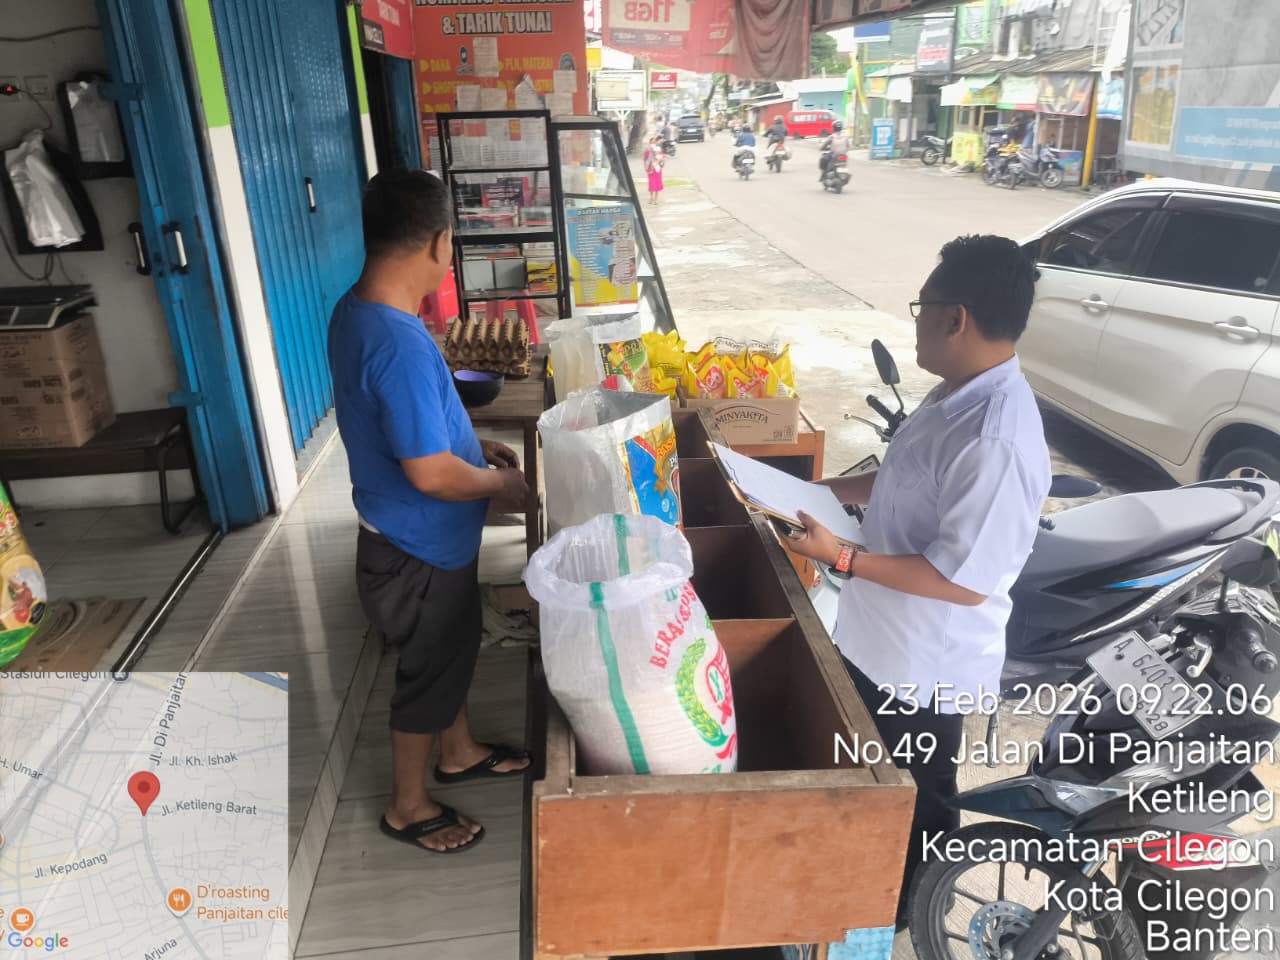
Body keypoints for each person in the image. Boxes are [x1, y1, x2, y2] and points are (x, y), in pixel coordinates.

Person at [784, 235, 1050, 927]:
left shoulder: (996, 438)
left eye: (920, 307)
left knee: (918, 801)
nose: (916, 321)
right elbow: (900, 478)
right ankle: (863, 896)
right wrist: (812, 493)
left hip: (923, 666)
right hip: (877, 637)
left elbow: (962, 581)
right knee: (866, 778)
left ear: (954, 318)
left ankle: (908, 918)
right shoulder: (953, 394)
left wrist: (843, 557)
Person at [328, 169, 532, 856]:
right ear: (440, 243)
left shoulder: (357, 311)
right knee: (428, 672)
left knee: (450, 649)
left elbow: (413, 428)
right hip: (415, 549)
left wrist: (473, 446)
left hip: (414, 538)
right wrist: (501, 485)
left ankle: (459, 750)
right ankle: (407, 805)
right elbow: (432, 473)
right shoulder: (397, 342)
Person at [644, 136, 666, 205]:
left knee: (657, 184)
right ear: (649, 143)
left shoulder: (658, 150)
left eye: (654, 142)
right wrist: (645, 167)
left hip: (657, 169)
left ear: (656, 143)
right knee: (651, 184)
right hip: (650, 169)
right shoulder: (647, 151)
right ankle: (651, 198)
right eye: (651, 142)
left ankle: (656, 199)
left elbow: (662, 158)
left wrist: (659, 160)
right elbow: (645, 160)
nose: (652, 144)